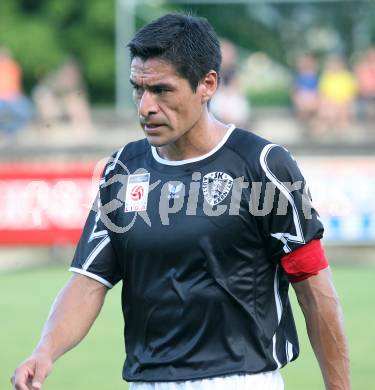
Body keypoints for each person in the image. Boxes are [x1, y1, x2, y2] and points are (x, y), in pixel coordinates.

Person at [11, 13, 350, 390]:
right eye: (138, 89)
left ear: (207, 85)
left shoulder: (264, 166)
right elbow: (89, 280)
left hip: (240, 380)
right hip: (146, 382)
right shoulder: (123, 170)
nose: (145, 106)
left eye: (161, 90)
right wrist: (45, 350)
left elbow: (314, 289)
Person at [0, 47, 32, 138]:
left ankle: (10, 132)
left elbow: (16, 85)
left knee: (26, 111)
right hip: (2, 98)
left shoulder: (13, 67)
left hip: (13, 97)